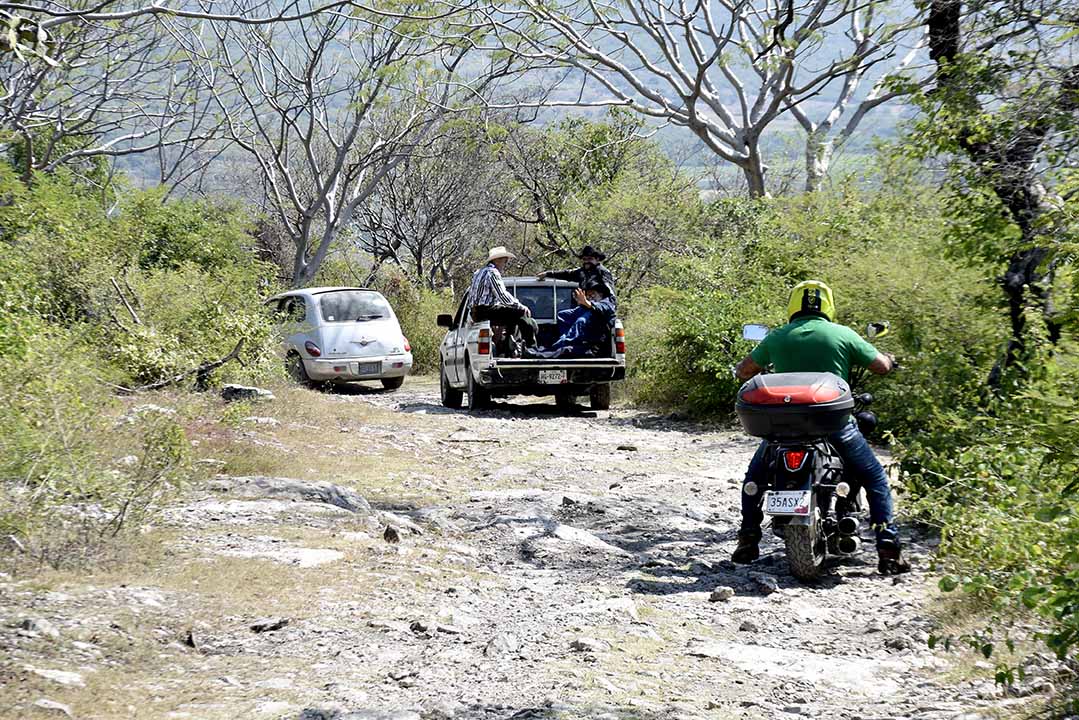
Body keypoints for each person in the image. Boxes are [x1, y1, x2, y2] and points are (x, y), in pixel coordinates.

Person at [731, 280, 911, 575]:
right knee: (875, 478)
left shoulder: (778, 337)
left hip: (781, 427)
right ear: (827, 304)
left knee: (755, 479)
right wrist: (890, 360)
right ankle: (888, 547)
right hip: (832, 423)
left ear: (793, 305)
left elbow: (743, 371)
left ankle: (748, 537)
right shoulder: (843, 334)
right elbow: (880, 366)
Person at [468, 246, 538, 352]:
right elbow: (502, 295)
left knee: (510, 315)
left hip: (476, 312)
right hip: (485, 311)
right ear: (497, 260)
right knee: (520, 313)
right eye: (504, 261)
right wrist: (520, 306)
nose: (505, 264)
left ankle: (508, 345)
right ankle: (532, 348)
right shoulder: (492, 272)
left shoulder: (478, 272)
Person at [533, 279, 616, 358]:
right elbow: (568, 315)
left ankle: (540, 354)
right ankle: (548, 348)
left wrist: (587, 303)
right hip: (579, 342)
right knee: (562, 316)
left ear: (600, 294)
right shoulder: (585, 308)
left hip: (593, 346)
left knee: (565, 350)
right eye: (588, 295)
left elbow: (601, 307)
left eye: (592, 294)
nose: (590, 297)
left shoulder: (607, 304)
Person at [537, 245, 618, 309]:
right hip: (584, 307)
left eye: (590, 259)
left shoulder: (602, 272)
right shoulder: (582, 272)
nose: (586, 262)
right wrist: (547, 274)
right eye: (584, 259)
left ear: (597, 259)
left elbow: (610, 292)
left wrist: (608, 308)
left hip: (597, 309)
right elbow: (566, 274)